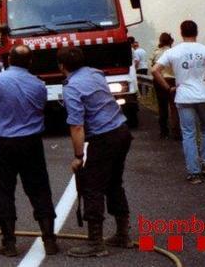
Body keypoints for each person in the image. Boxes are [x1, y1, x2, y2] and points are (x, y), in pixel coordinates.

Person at [0, 45, 58, 257]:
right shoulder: (39, 85)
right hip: (31, 143)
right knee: (39, 189)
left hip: (2, 145)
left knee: (3, 191)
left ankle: (9, 243)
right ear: (30, 62)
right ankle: (49, 240)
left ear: (8, 61)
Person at [58, 46, 133, 258]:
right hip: (122, 131)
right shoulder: (95, 73)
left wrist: (78, 157)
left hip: (104, 137)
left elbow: (77, 126)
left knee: (92, 186)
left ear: (61, 66)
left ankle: (95, 243)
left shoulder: (71, 87)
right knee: (114, 183)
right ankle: (123, 235)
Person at [152, 20, 205, 184]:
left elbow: (155, 70)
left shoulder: (173, 52)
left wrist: (168, 88)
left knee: (188, 134)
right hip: (204, 95)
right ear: (197, 32)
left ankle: (194, 173)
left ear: (181, 33)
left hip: (184, 97)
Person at [150, 32, 177, 139]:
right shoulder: (174, 52)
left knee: (162, 106)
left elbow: (152, 67)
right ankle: (176, 131)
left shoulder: (156, 53)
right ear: (170, 41)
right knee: (174, 107)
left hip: (159, 81)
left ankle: (163, 131)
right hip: (172, 80)